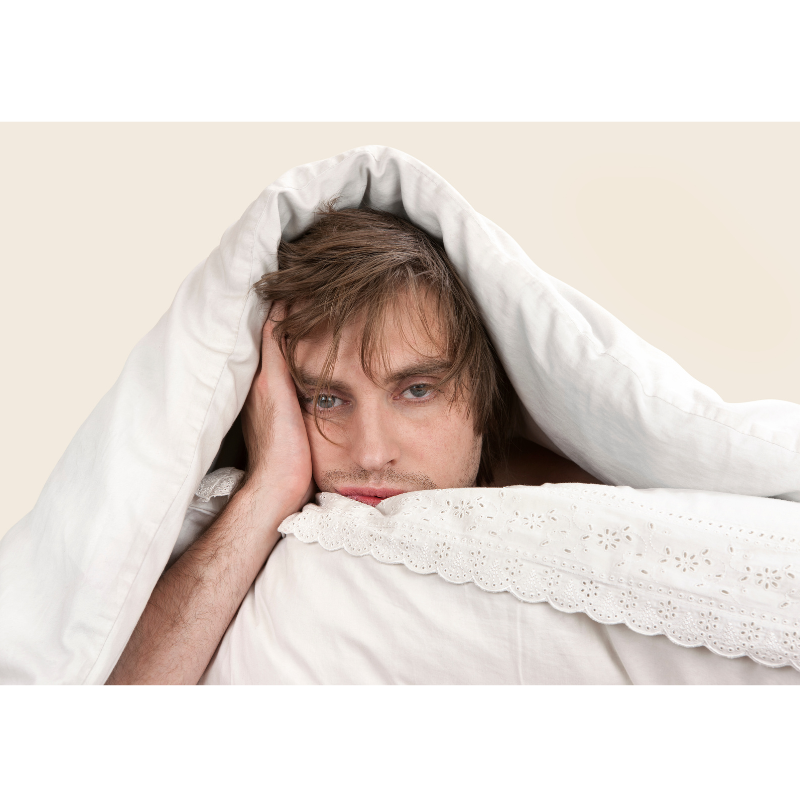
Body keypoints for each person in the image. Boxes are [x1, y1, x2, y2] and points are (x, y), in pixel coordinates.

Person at [106, 205, 602, 685]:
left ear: (485, 397)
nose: (370, 454)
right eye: (327, 399)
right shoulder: (233, 520)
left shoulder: (590, 524)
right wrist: (271, 487)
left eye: (417, 390)